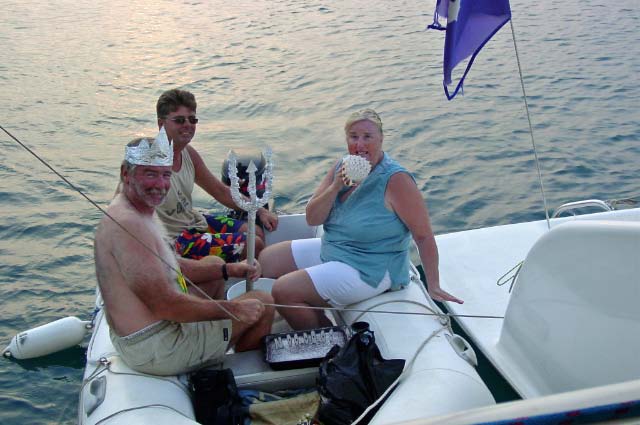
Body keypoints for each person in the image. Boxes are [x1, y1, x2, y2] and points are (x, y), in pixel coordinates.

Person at [259, 109, 463, 330]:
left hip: (371, 266)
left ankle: (325, 337)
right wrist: (335, 186)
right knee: (268, 260)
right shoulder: (341, 167)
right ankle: (312, 314)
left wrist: (434, 284)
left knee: (284, 290)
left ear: (381, 139)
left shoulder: (396, 180)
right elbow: (312, 218)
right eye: (353, 136)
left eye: (367, 137)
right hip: (336, 249)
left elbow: (423, 236)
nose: (359, 144)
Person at [94, 131, 275, 376]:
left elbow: (168, 265)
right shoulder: (129, 224)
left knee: (213, 264)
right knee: (264, 302)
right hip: (158, 346)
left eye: (166, 174)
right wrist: (233, 310)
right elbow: (166, 305)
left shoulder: (133, 208)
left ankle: (215, 340)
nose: (160, 185)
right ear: (126, 174)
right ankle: (244, 377)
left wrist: (228, 269)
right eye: (150, 174)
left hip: (145, 334)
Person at [155, 88, 278, 262]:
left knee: (254, 231)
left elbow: (219, 191)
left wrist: (259, 210)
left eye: (192, 119)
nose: (187, 124)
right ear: (161, 124)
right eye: (179, 120)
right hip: (174, 239)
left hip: (192, 221)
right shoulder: (149, 162)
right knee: (254, 244)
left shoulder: (188, 154)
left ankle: (244, 275)